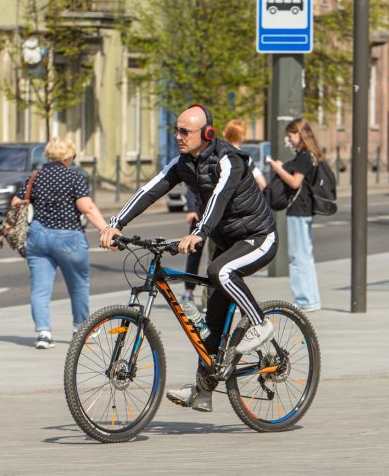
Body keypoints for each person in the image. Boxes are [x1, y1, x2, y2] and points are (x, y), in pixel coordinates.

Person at [100, 104, 278, 413]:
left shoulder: (228, 160)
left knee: (220, 271)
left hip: (258, 237)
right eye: (176, 131)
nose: (179, 137)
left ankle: (260, 323)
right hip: (226, 242)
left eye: (185, 131)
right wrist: (116, 223)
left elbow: (221, 196)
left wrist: (200, 231)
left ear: (207, 134)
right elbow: (150, 190)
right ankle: (203, 392)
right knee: (210, 324)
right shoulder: (183, 162)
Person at [11, 137, 107, 350]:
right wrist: (106, 229)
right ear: (67, 156)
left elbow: (17, 202)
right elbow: (86, 207)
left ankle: (43, 333)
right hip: (68, 236)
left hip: (38, 236)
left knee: (40, 288)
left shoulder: (36, 176)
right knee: (79, 284)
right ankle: (81, 328)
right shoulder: (74, 176)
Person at [179, 119, 265, 306]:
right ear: (242, 136)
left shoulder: (226, 155)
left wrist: (192, 209)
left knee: (209, 260)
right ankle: (216, 304)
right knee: (221, 264)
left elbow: (194, 185)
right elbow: (262, 183)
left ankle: (197, 296)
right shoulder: (244, 157)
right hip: (227, 220)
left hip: (211, 219)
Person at [268, 118, 323, 312]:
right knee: (305, 257)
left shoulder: (303, 155)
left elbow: (294, 182)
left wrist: (278, 169)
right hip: (305, 208)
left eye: (290, 135)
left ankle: (304, 300)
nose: (288, 139)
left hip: (299, 209)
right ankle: (312, 299)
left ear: (299, 134)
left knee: (297, 257)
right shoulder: (312, 155)